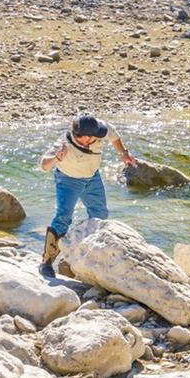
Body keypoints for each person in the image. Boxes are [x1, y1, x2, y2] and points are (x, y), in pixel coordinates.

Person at [39, 114, 138, 274]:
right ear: (82, 138)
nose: (99, 137)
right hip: (68, 180)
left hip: (93, 178)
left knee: (100, 215)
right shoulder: (64, 144)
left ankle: (93, 257)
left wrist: (124, 154)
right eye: (93, 137)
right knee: (63, 218)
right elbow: (43, 165)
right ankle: (47, 262)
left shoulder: (99, 129)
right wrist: (58, 157)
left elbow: (114, 136)